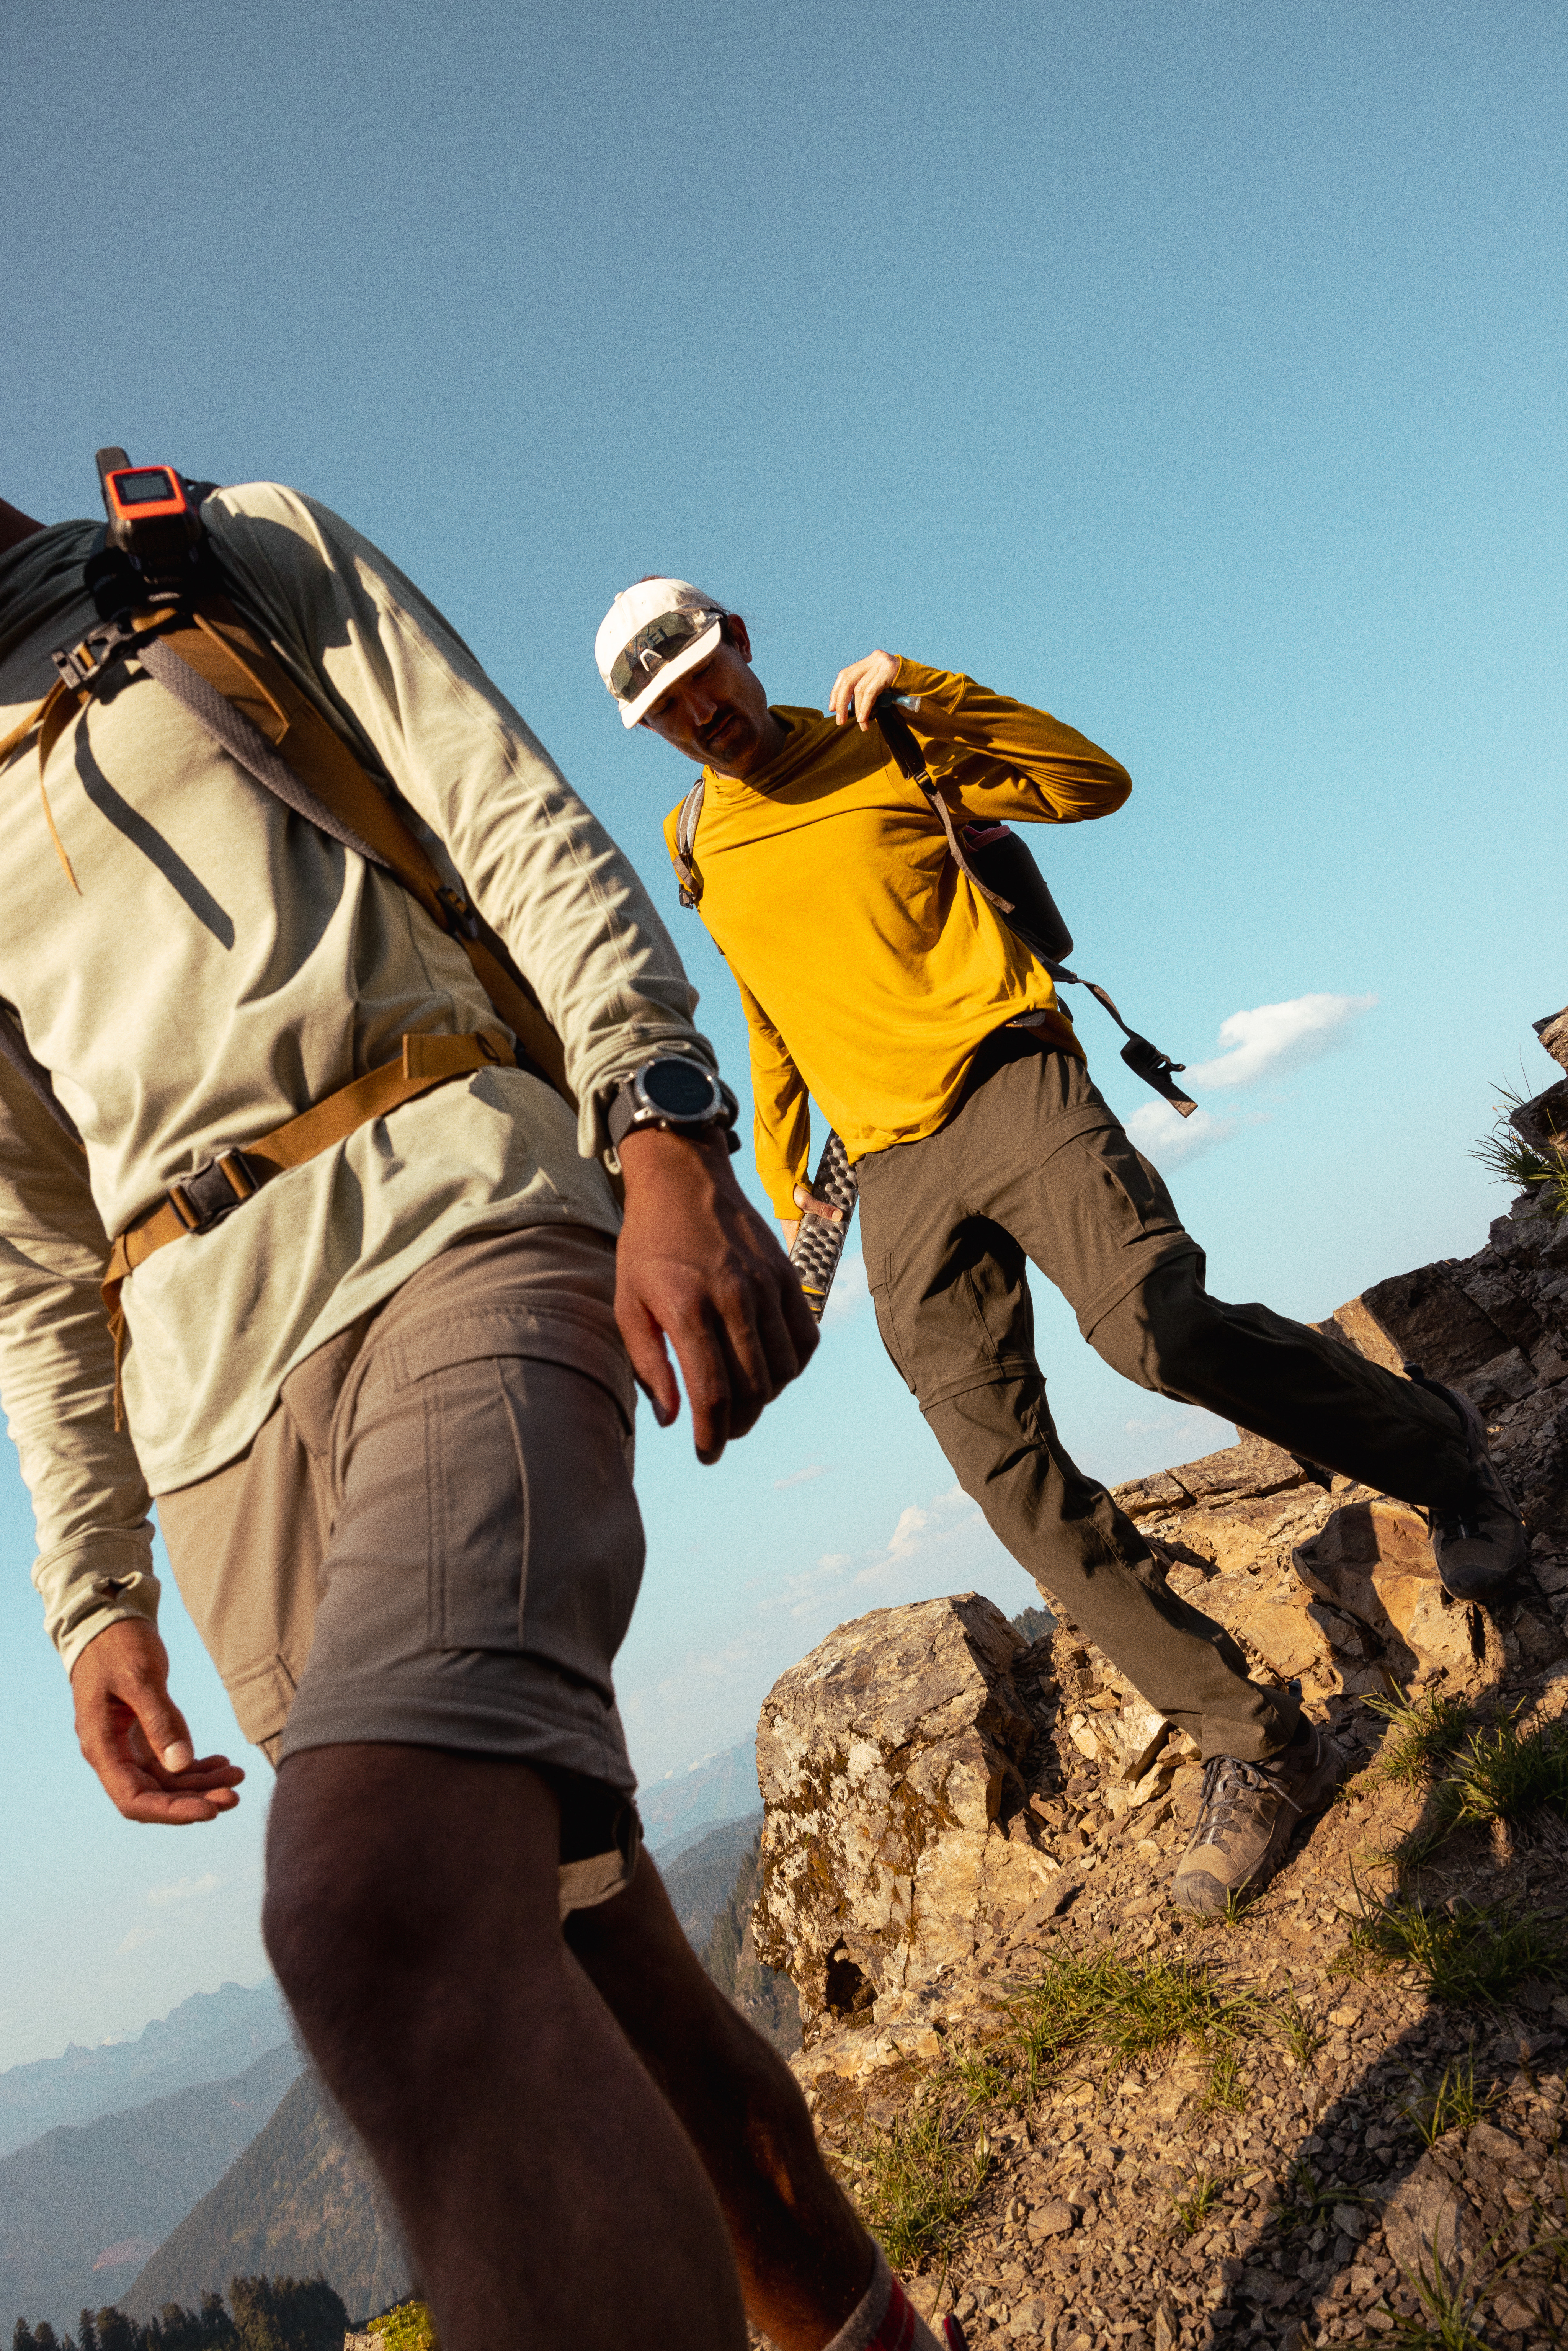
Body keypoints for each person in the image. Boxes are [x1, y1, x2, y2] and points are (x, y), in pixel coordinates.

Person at [0, 488, 965, 2351]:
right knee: (598, 1980)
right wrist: (92, 1591)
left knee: (371, 1899)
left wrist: (664, 1123)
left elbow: (509, 820)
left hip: (461, 1220)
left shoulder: (207, 555)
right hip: (204, 1419)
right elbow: (34, 1252)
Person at [594, 575, 1528, 1918]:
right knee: (1005, 1474)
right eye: (664, 709)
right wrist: (791, 1181)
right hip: (893, 1172)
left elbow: (1096, 785)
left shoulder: (885, 735)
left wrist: (939, 695)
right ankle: (1259, 1746)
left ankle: (1444, 1462)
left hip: (1010, 1075)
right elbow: (775, 1001)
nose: (698, 712)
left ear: (738, 640)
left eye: (702, 674)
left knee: (1160, 1331)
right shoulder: (698, 839)